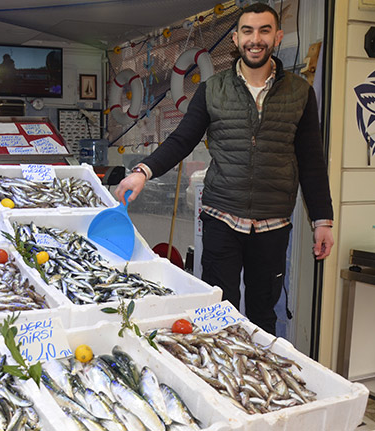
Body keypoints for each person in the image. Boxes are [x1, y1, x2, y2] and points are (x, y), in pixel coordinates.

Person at [114, 3, 334, 335]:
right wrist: (143, 171)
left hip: (272, 224)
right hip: (221, 219)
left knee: (264, 313)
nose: (255, 39)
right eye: (247, 31)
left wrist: (323, 220)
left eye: (263, 31)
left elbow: (311, 161)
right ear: (235, 38)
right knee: (217, 310)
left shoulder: (299, 92)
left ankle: (259, 378)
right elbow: (182, 139)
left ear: (277, 36)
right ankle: (216, 381)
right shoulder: (212, 89)